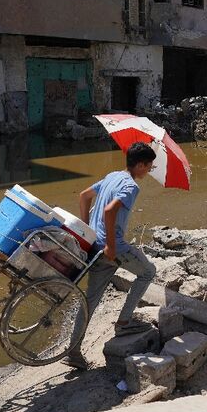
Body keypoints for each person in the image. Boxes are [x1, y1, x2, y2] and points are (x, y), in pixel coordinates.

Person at [64, 142, 158, 370]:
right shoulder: (131, 187)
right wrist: (112, 247)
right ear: (141, 165)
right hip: (111, 248)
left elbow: (85, 196)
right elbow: (109, 211)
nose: (149, 171)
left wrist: (86, 231)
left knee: (91, 301)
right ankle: (124, 322)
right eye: (149, 166)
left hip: (94, 246)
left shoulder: (112, 176)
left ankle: (73, 351)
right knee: (147, 272)